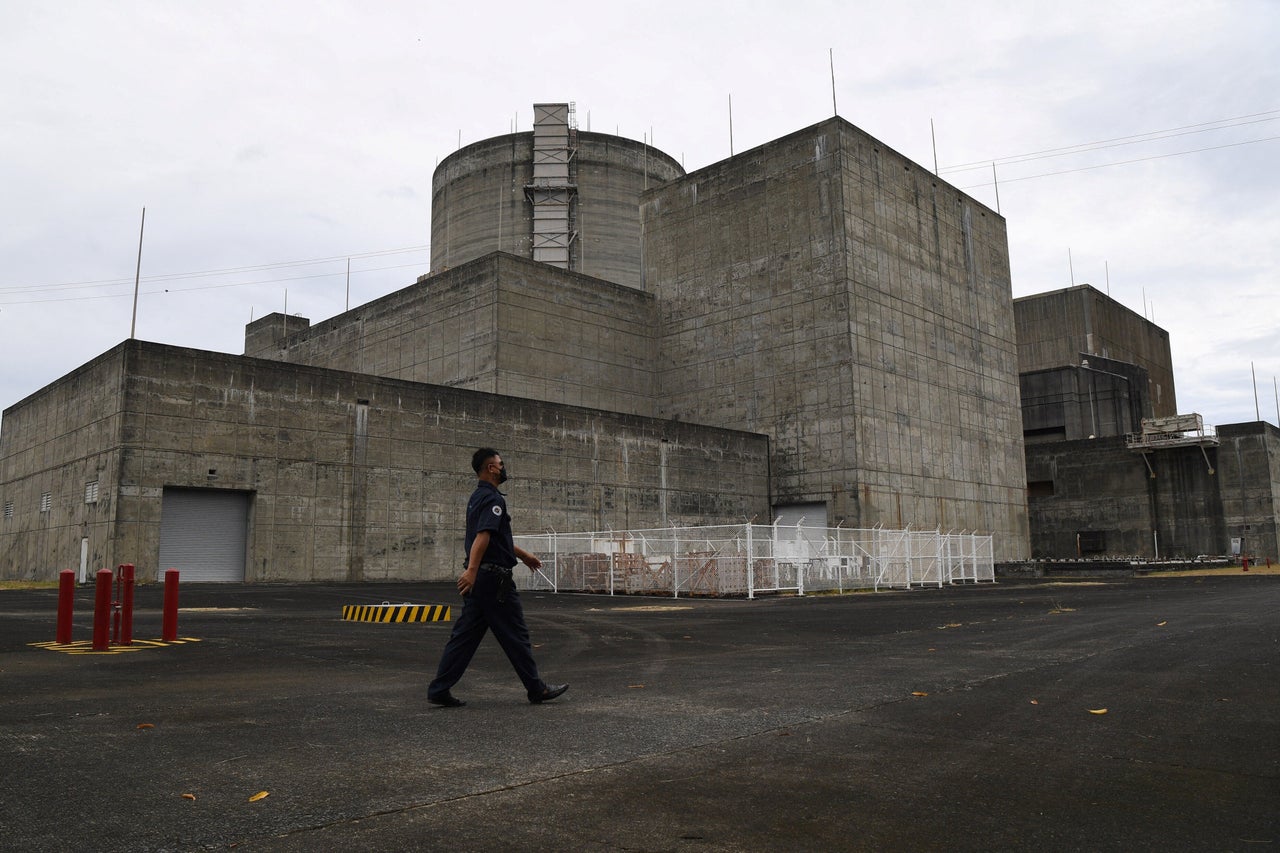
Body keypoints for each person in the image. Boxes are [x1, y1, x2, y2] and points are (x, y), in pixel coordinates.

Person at [427, 448, 568, 707]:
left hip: (482, 580)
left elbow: (495, 537)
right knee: (516, 635)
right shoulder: (494, 500)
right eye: (500, 464)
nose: (504, 468)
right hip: (494, 581)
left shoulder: (477, 497)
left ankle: (439, 688)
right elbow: (483, 537)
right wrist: (470, 569)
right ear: (491, 468)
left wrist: (524, 556)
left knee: (464, 638)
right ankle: (536, 689)